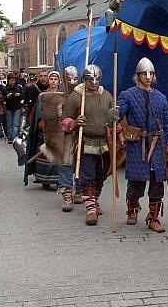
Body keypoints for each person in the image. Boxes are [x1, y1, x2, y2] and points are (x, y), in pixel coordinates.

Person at [118, 58, 168, 232]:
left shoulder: (161, 98)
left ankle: (153, 217)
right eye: (144, 74)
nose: (148, 77)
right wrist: (114, 114)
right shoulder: (128, 95)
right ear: (138, 75)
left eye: (151, 74)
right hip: (137, 145)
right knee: (136, 181)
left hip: (157, 145)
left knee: (157, 182)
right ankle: (132, 210)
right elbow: (119, 114)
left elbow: (166, 124)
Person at [61, 65, 115, 225]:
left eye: (97, 79)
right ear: (85, 80)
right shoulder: (76, 96)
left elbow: (113, 119)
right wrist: (75, 122)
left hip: (104, 143)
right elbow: (65, 120)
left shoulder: (106, 95)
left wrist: (115, 120)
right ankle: (91, 209)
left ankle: (94, 200)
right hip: (85, 142)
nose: (94, 83)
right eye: (90, 80)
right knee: (88, 176)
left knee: (101, 175)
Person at [57, 66, 81, 211]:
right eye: (69, 79)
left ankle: (79, 190)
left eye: (75, 78)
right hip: (65, 135)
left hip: (82, 133)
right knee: (66, 161)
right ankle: (67, 192)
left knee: (82, 161)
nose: (72, 82)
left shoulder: (83, 94)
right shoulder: (58, 95)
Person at [2, 72, 23, 143]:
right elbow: (2, 98)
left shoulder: (18, 87)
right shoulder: (5, 88)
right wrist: (7, 96)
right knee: (9, 123)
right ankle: (10, 138)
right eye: (11, 80)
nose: (13, 82)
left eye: (14, 80)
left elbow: (22, 96)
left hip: (17, 107)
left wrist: (19, 95)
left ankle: (14, 138)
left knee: (15, 124)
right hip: (8, 107)